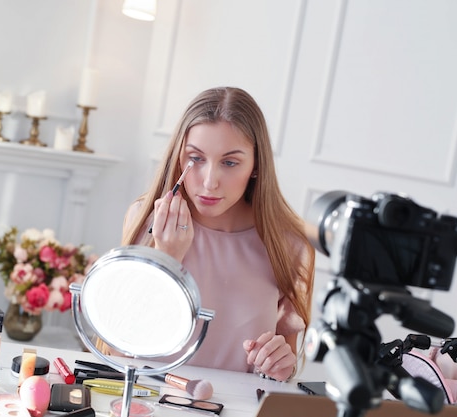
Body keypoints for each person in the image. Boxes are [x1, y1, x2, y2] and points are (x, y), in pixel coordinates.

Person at [117, 86, 314, 382]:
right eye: (195, 158)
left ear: (256, 165)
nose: (210, 182)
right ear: (179, 158)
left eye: (230, 162)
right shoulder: (147, 221)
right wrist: (166, 259)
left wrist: (280, 364)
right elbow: (120, 347)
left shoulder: (290, 245)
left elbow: (284, 361)